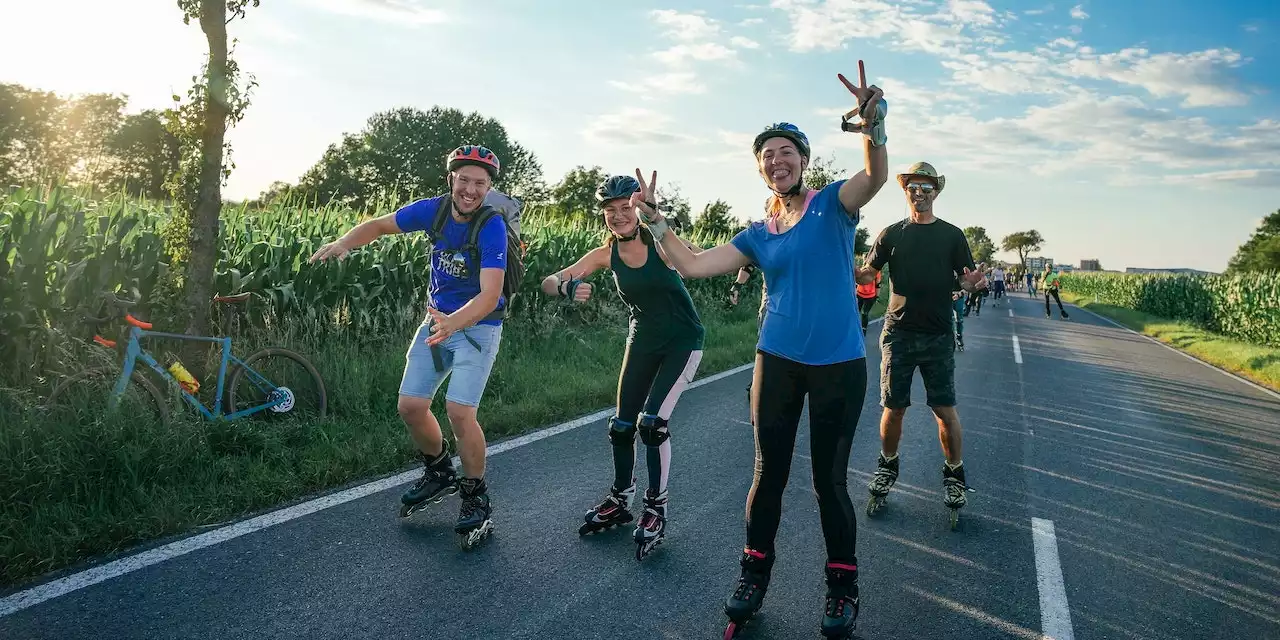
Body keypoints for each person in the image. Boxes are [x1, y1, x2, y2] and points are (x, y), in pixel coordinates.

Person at [630, 65, 888, 638]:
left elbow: (874, 177)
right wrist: (655, 223)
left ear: (803, 159)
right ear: (761, 168)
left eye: (787, 151)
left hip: (840, 365)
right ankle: (753, 576)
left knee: (830, 482)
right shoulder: (756, 232)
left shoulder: (832, 206)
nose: (777, 160)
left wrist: (874, 125)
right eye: (768, 154)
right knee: (767, 474)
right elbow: (693, 264)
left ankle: (842, 588)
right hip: (777, 362)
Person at [309, 145, 509, 549]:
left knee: (459, 412)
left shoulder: (491, 225)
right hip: (436, 324)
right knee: (411, 406)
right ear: (451, 179)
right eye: (464, 180)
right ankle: (438, 471)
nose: (470, 189)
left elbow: (490, 295)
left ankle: (475, 496)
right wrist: (346, 243)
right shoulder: (432, 210)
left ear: (489, 188)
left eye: (480, 183)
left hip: (477, 328)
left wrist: (456, 322)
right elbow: (380, 225)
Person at [540, 174, 706, 561]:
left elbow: (692, 259)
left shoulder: (660, 247)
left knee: (653, 426)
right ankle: (621, 497)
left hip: (683, 341)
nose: (618, 216)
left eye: (625, 208)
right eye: (610, 210)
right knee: (620, 427)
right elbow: (549, 281)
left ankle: (656, 507)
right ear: (604, 217)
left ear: (637, 210)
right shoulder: (604, 255)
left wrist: (659, 221)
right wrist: (566, 288)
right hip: (642, 341)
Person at [854, 161, 985, 531]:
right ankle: (886, 466)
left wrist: (974, 284)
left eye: (926, 187)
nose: (919, 193)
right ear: (906, 191)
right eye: (913, 187)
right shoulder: (892, 234)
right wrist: (854, 271)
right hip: (898, 333)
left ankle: (954, 475)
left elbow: (967, 280)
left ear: (936, 192)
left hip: (939, 334)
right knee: (893, 407)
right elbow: (869, 271)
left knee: (944, 409)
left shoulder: (952, 236)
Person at [856, 258, 881, 335]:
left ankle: (863, 330)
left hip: (870, 296)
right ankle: (855, 328)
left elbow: (878, 285)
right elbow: (856, 282)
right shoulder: (861, 269)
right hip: (859, 294)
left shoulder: (877, 272)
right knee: (856, 312)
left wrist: (877, 296)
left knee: (864, 313)